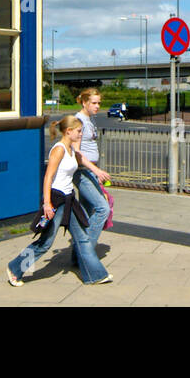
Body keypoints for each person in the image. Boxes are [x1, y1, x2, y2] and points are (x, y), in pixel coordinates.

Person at [6, 115, 111, 286]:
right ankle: (15, 268)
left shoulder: (71, 149)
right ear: (68, 131)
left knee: (83, 238)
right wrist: (47, 203)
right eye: (78, 131)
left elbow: (82, 159)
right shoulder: (59, 149)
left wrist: (98, 172)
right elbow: (48, 177)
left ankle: (96, 275)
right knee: (45, 243)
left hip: (69, 200)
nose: (81, 134)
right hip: (56, 200)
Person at [70, 89, 112, 262]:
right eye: (94, 103)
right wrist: (96, 170)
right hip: (83, 172)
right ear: (84, 102)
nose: (97, 106)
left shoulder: (88, 120)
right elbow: (76, 151)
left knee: (87, 214)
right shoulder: (78, 120)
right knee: (103, 209)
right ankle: (85, 252)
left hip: (90, 171)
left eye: (99, 103)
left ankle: (76, 257)